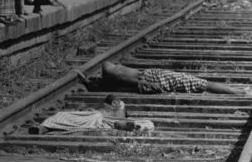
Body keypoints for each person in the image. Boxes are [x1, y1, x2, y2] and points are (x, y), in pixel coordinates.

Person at [77, 62, 246, 95]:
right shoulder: (112, 72)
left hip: (152, 77)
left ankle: (237, 91)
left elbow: (137, 82)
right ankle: (238, 92)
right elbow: (137, 82)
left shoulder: (111, 73)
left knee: (200, 83)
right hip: (155, 78)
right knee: (200, 83)